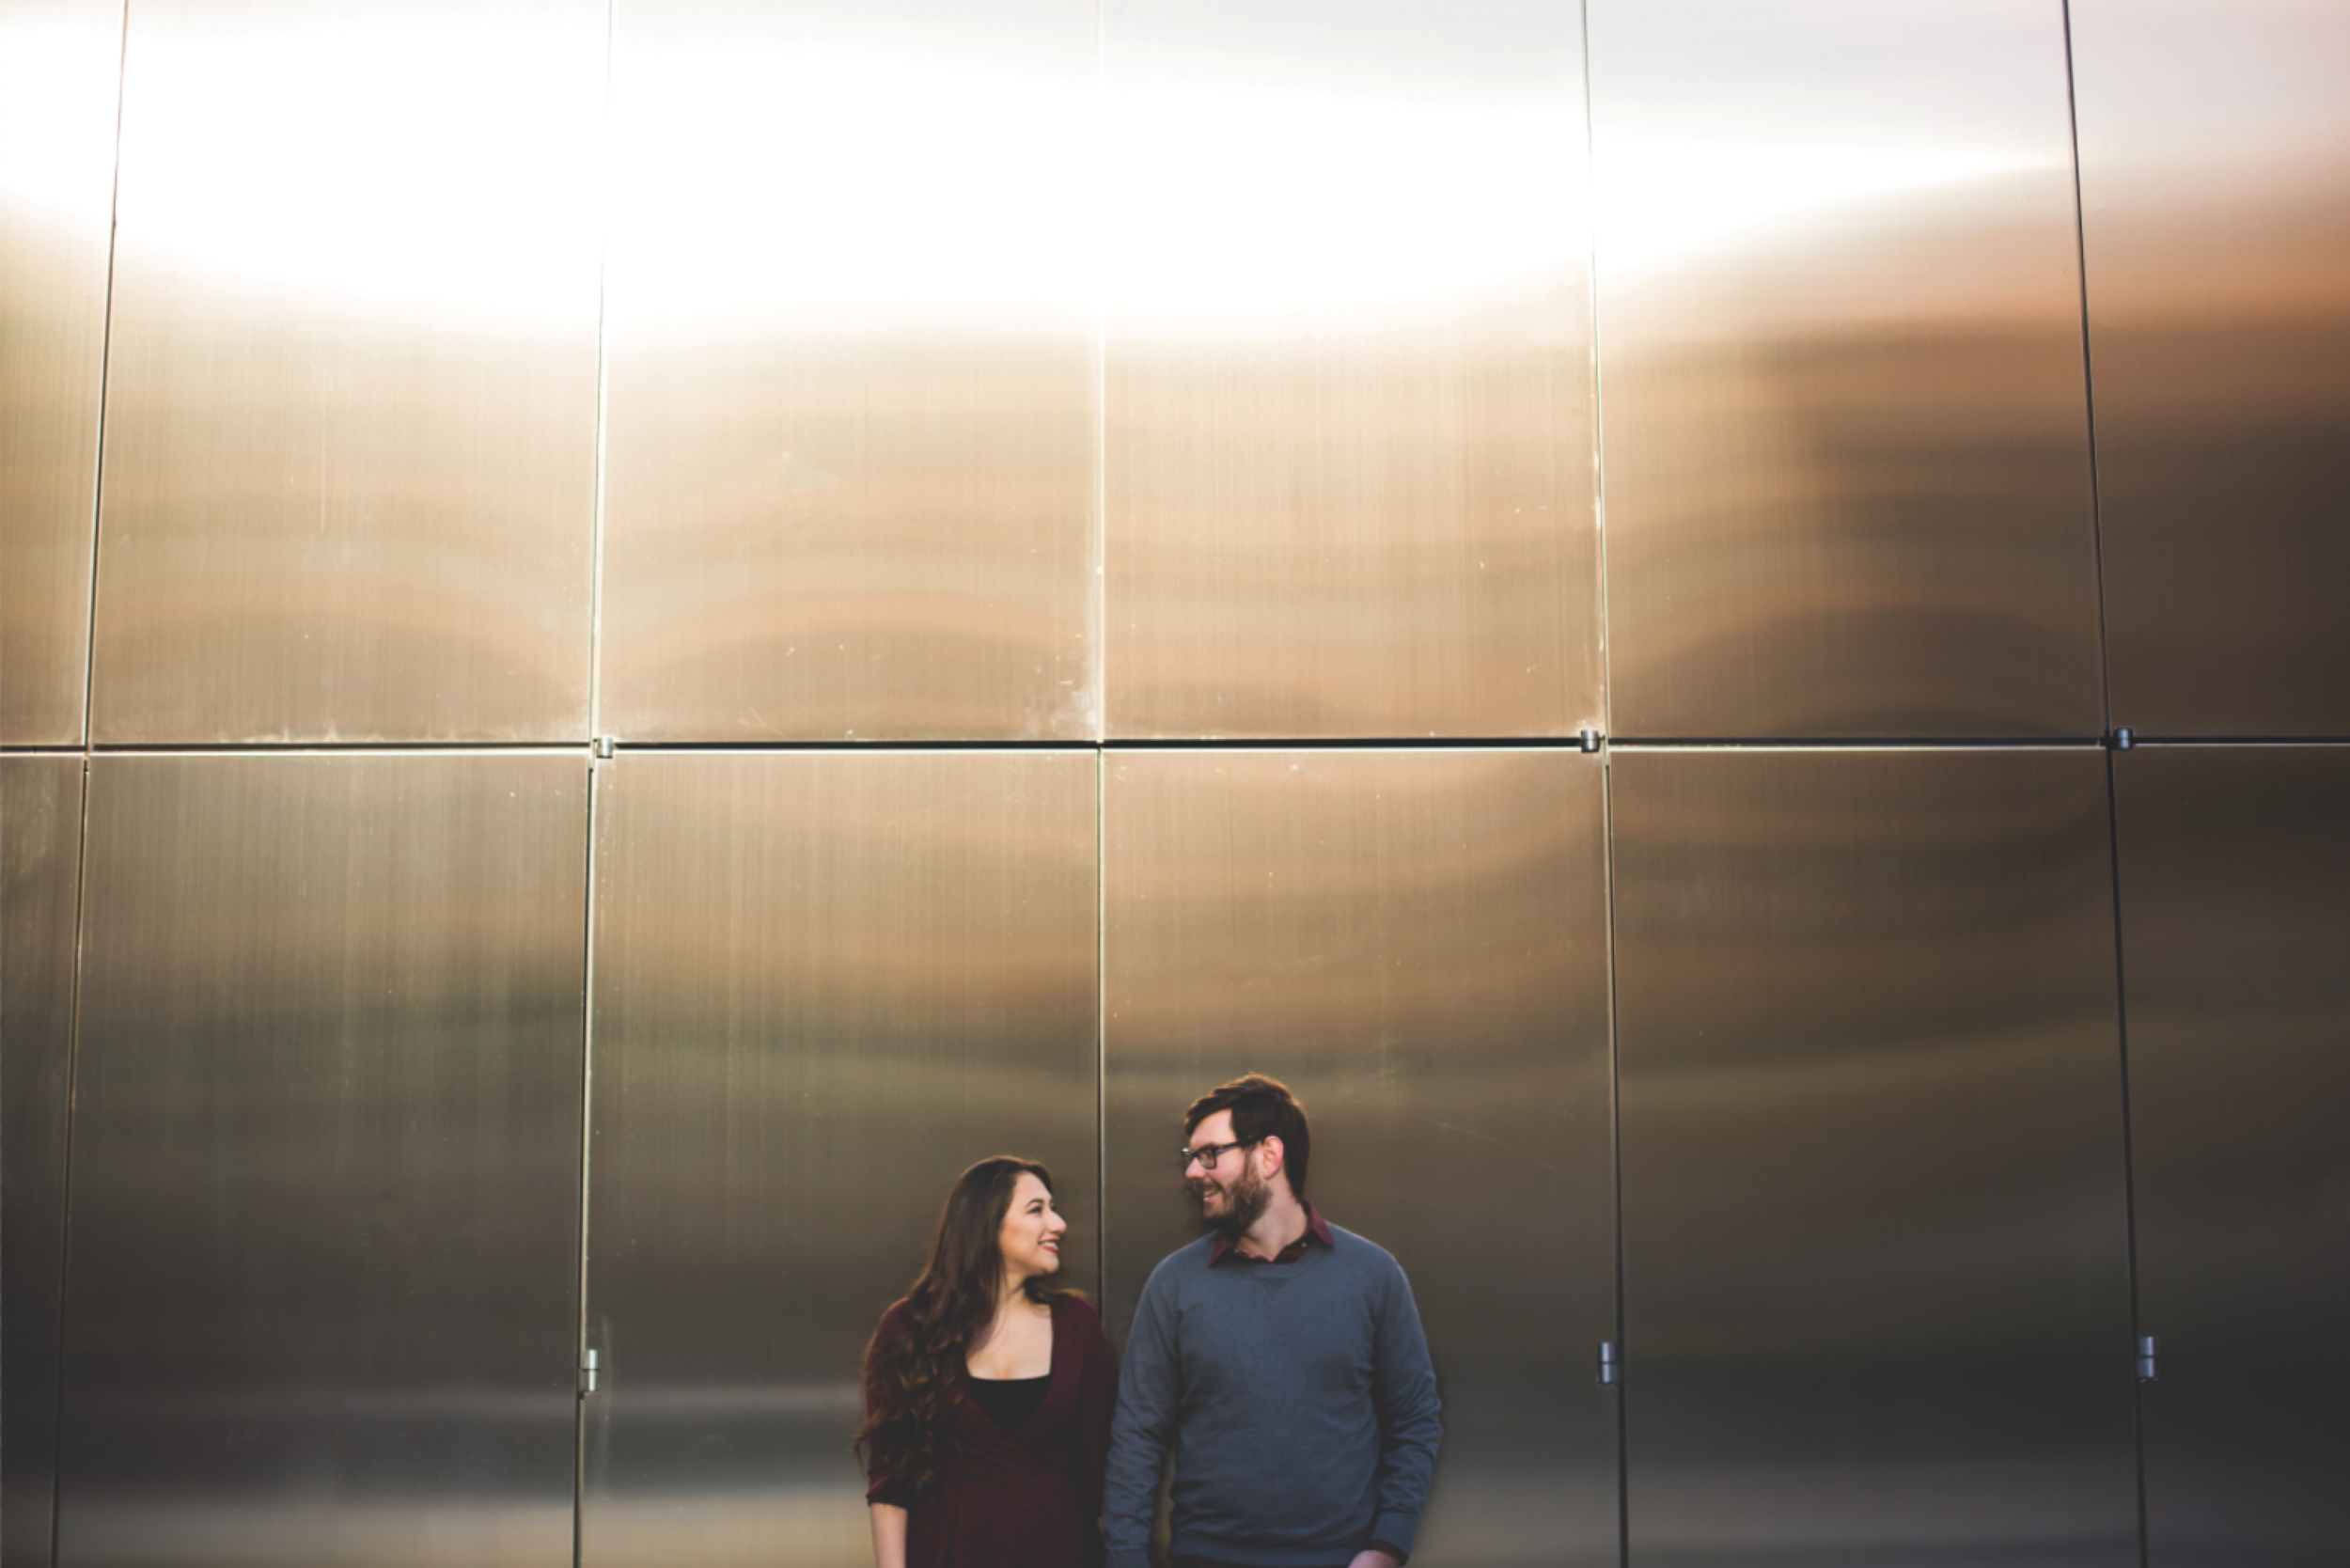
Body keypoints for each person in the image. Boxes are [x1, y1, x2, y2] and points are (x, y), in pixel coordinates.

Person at [1103, 1074, 1443, 1568]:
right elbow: (1137, 1435)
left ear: (1269, 1155)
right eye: (1191, 1156)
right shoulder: (1174, 1283)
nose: (1194, 1172)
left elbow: (1415, 1416)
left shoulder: (1372, 1275)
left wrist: (1387, 1545)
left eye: (1210, 1154)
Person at [857, 1156, 1117, 1568]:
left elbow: (1099, 1468)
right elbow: (891, 1480)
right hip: (949, 1547)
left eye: (1054, 1208)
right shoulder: (908, 1328)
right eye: (1037, 1210)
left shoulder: (1077, 1323)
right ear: (986, 1225)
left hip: (1059, 1546)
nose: (1059, 1223)